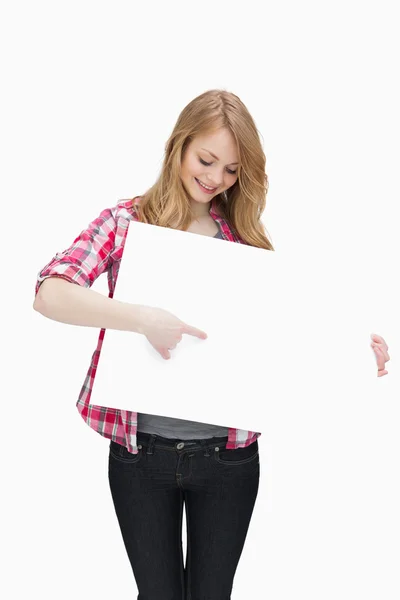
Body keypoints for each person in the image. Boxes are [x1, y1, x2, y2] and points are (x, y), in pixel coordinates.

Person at [33, 89, 390, 598]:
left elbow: (278, 331)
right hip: (140, 456)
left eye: (230, 170)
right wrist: (140, 319)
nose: (215, 178)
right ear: (179, 146)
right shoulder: (124, 223)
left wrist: (347, 347)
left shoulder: (242, 238)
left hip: (228, 459)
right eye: (206, 159)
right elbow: (50, 293)